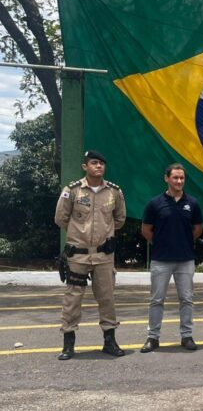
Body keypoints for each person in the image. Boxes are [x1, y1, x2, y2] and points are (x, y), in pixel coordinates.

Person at [55, 150, 126, 360]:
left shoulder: (114, 192)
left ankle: (110, 341)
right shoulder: (73, 190)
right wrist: (80, 235)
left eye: (102, 163)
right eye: (94, 163)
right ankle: (68, 344)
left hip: (104, 256)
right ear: (85, 166)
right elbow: (61, 218)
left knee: (107, 298)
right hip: (78, 255)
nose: (99, 166)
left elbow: (120, 219)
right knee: (72, 298)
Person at [140, 163, 203, 353]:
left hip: (185, 259)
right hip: (161, 259)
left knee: (186, 299)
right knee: (156, 300)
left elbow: (197, 229)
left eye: (182, 178)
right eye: (175, 177)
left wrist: (181, 241)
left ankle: (187, 336)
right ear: (166, 178)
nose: (179, 181)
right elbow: (146, 230)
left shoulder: (192, 203)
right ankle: (153, 337)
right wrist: (162, 242)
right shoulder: (155, 203)